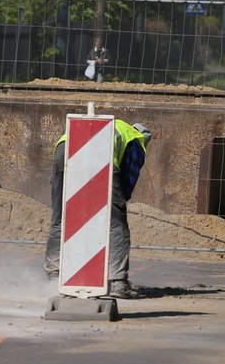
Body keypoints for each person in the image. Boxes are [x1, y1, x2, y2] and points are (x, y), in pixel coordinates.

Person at [44, 119, 152, 299]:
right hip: (99, 151)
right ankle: (118, 282)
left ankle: (53, 277)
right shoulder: (136, 140)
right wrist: (116, 205)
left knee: (60, 219)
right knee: (116, 224)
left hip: (64, 151)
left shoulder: (117, 128)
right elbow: (127, 183)